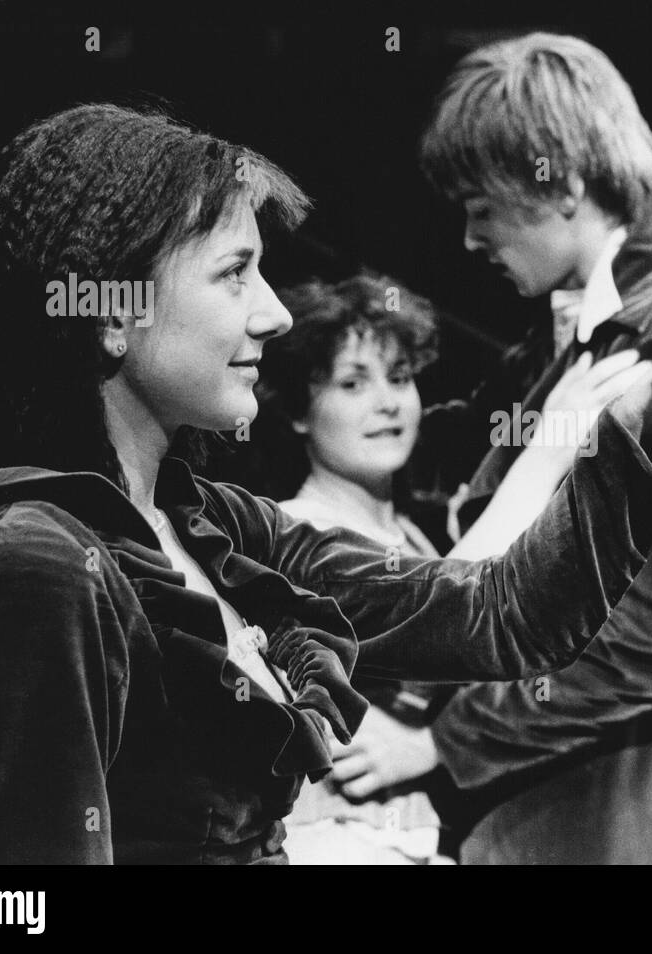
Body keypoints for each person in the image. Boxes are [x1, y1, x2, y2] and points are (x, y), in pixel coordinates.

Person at [0, 102, 652, 864]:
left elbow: (502, 615)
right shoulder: (30, 563)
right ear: (113, 312)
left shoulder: (224, 531)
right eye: (235, 272)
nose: (274, 313)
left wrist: (646, 414)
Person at [362, 32, 652, 864]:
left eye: (482, 209)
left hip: (631, 805)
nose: (472, 242)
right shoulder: (580, 335)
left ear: (565, 181)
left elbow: (643, 647)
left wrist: (438, 746)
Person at [253, 273, 452, 863]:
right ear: (298, 412)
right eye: (352, 383)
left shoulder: (416, 535)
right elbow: (447, 612)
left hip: (410, 836)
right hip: (335, 838)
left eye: (399, 378)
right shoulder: (295, 531)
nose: (387, 402)